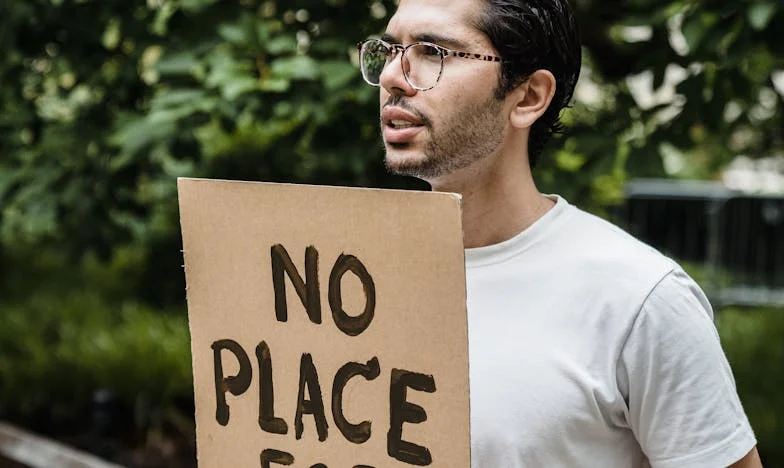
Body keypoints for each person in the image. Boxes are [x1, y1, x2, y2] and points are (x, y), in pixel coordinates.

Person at [356, 0, 762, 466]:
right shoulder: (334, 281)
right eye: (389, 49)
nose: (391, 75)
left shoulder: (637, 299)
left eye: (433, 51)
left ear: (528, 97)